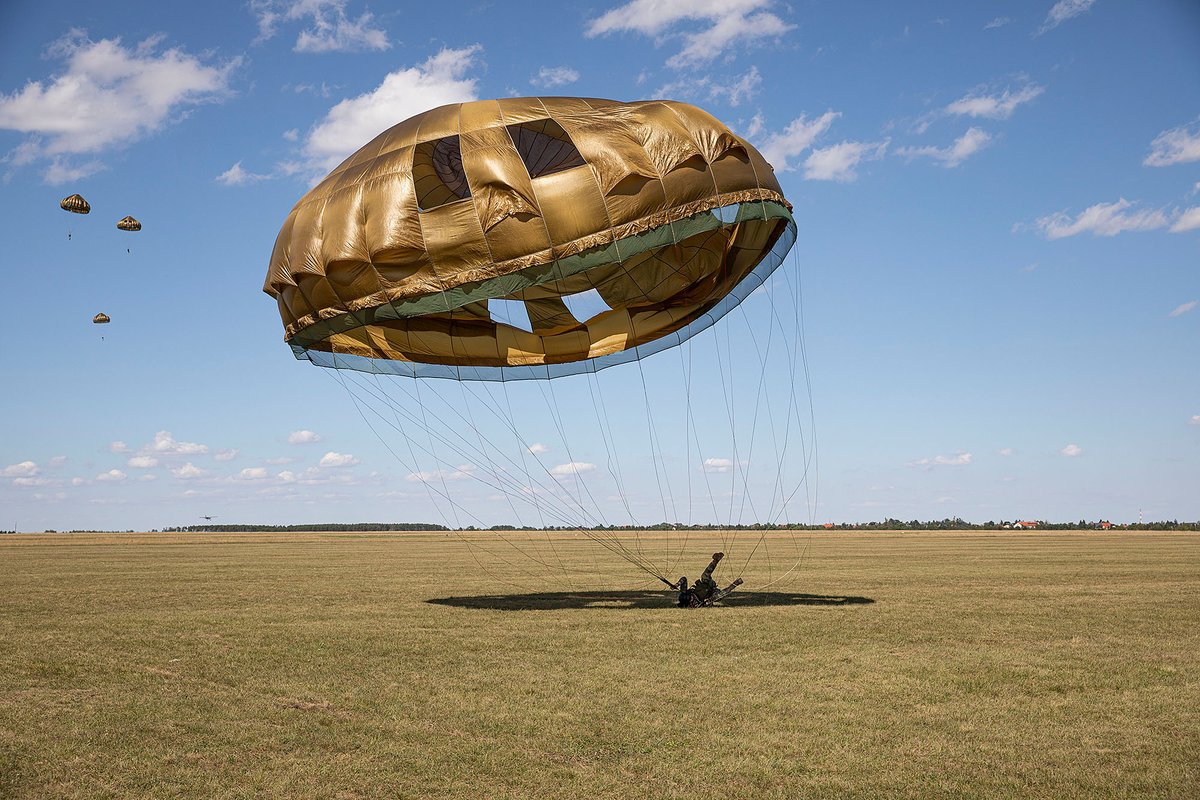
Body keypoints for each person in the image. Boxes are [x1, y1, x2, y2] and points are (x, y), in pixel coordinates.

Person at [675, 552, 743, 607]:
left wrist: (677, 584)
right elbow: (711, 601)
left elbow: (683, 579)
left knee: (705, 575)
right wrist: (708, 602)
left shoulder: (685, 592)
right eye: (691, 599)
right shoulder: (695, 604)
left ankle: (715, 560)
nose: (692, 598)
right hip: (712, 592)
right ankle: (736, 583)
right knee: (718, 596)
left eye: (691, 596)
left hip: (706, 584)